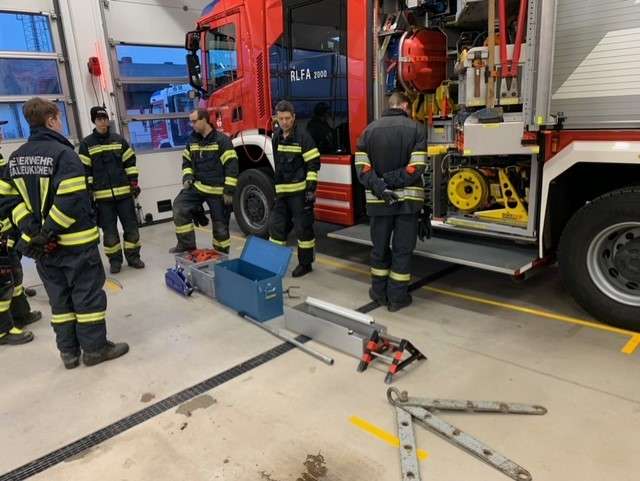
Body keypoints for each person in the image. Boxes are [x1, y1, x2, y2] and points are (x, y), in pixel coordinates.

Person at [3, 98, 128, 368]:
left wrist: (33, 231)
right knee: (87, 296)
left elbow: (7, 200)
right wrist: (48, 232)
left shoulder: (15, 159)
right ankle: (94, 350)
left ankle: (69, 354)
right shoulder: (64, 155)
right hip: (75, 244)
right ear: (50, 120)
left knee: (59, 300)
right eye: (59, 117)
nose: (60, 122)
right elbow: (71, 199)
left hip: (42, 250)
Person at [355, 92, 427, 312]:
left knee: (379, 249)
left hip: (379, 203)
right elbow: (416, 167)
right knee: (402, 251)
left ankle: (379, 294)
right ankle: (397, 298)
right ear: (404, 106)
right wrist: (392, 180)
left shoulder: (368, 131)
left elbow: (362, 169)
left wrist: (381, 186)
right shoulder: (416, 129)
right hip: (408, 204)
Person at [78, 106, 144, 274]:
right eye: (99, 119)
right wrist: (89, 191)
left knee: (131, 228)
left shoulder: (119, 140)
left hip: (124, 195)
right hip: (102, 199)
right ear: (94, 121)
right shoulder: (86, 144)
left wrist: (133, 183)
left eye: (105, 119)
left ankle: (133, 257)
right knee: (109, 232)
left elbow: (130, 163)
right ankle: (115, 261)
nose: (103, 122)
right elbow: (85, 170)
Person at [170, 108, 238, 254]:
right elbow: (187, 162)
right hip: (198, 187)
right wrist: (187, 177)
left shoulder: (222, 141)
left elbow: (232, 167)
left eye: (194, 121)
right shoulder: (192, 140)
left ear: (205, 120)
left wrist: (229, 191)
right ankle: (186, 245)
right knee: (179, 207)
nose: (192, 125)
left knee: (220, 227)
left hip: (218, 191)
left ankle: (221, 254)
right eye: (191, 122)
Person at [0, 119, 42, 346]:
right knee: (3, 282)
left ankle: (20, 313)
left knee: (13, 275)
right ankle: (3, 330)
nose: (1, 135)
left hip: (6, 230)